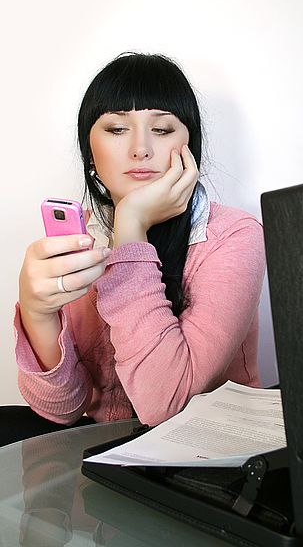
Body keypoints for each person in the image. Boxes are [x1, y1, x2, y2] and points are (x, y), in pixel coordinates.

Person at [1, 53, 266, 447]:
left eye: (161, 129)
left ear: (189, 146)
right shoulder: (82, 238)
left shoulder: (234, 236)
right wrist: (39, 314)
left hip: (208, 456)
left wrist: (131, 226)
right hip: (107, 452)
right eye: (116, 128)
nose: (141, 148)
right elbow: (63, 409)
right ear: (90, 152)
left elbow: (165, 406)